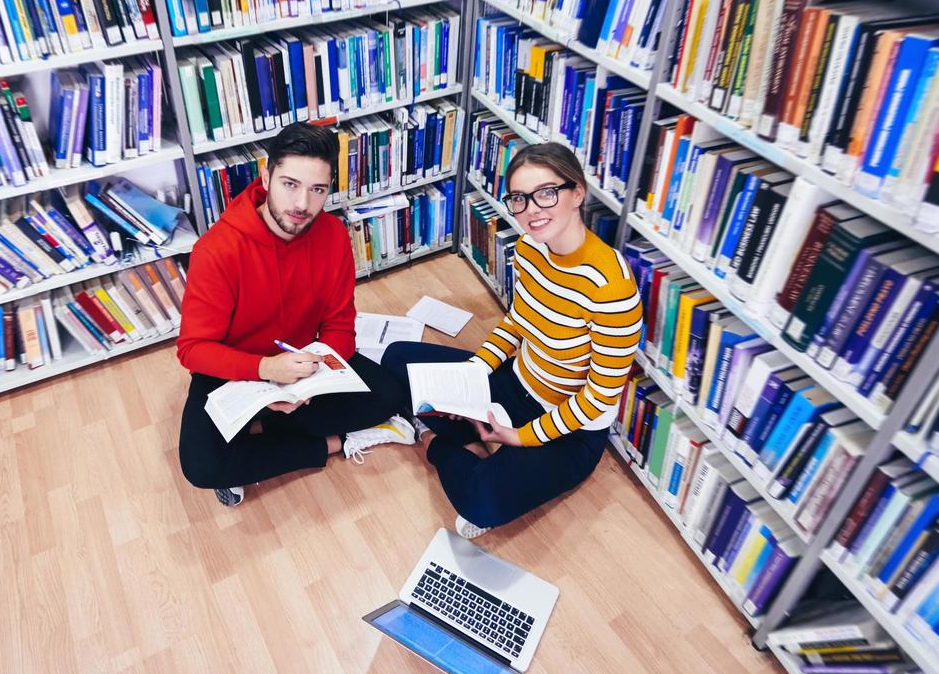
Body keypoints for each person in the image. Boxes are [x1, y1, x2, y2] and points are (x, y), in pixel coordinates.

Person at [383, 143, 642, 537]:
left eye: (546, 193)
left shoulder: (612, 288)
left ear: (577, 193)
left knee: (481, 503)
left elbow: (597, 401)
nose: (532, 210)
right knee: (395, 357)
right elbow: (517, 323)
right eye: (519, 199)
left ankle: (435, 438)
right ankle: (475, 442)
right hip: (515, 383)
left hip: (570, 425)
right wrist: (470, 376)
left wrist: (519, 438)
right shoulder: (528, 249)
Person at [177, 122, 417, 507]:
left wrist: (308, 380)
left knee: (389, 394)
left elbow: (340, 327)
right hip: (236, 369)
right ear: (266, 176)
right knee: (201, 465)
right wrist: (267, 372)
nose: (302, 204)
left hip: (307, 365)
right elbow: (192, 350)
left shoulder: (335, 237)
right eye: (290, 184)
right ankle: (333, 443)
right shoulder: (217, 250)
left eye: (317, 189)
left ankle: (258, 439)